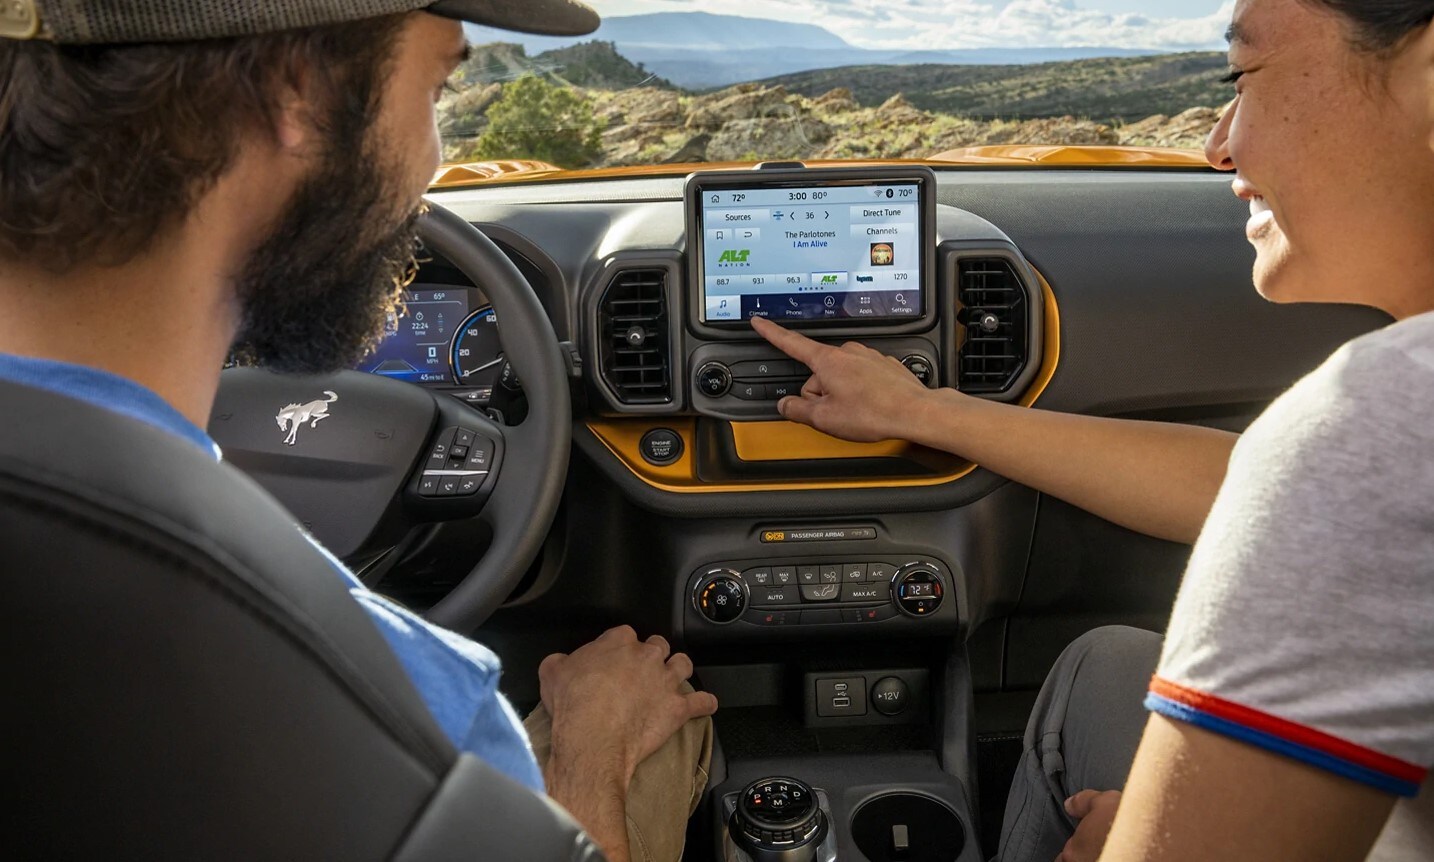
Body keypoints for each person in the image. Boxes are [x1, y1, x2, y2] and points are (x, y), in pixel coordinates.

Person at [0, 3, 715, 861]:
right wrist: (590, 749)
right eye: (438, 86)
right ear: (297, 91)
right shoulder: (419, 709)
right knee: (647, 721)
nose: (436, 157)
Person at [753, 0, 1434, 858]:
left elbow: (1325, 491)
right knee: (1113, 661)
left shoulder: (1377, 431)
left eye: (1242, 78)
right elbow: (1256, 491)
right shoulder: (1379, 453)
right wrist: (923, 412)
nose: (1218, 144)